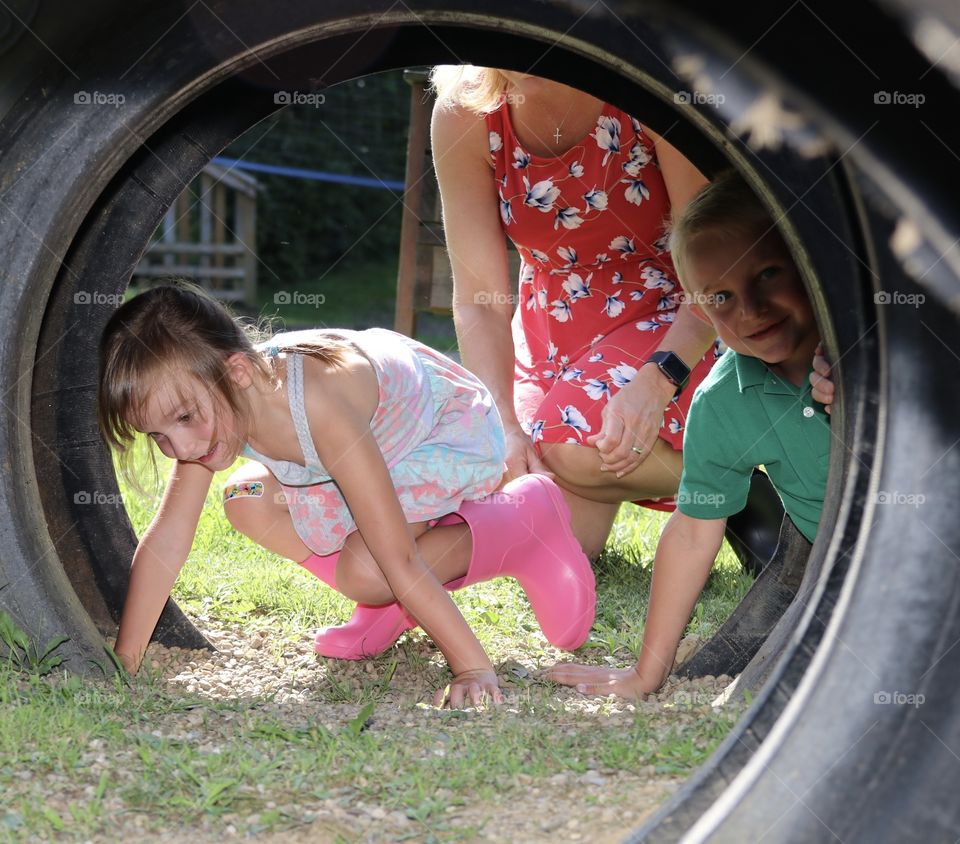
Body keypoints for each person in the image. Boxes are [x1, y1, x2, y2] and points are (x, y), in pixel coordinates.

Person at [97, 282, 596, 707]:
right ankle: (388, 606)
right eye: (157, 435)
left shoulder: (317, 405)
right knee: (247, 496)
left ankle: (525, 522)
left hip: (440, 429)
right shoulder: (216, 402)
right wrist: (127, 657)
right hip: (365, 448)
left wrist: (471, 669)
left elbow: (397, 555)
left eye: (184, 418)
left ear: (238, 373)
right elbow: (167, 540)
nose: (178, 447)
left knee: (371, 568)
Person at [429, 66, 785, 574]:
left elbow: (716, 273)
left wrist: (659, 379)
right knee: (534, 511)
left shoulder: (644, 86)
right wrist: (502, 425)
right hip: (549, 330)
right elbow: (479, 300)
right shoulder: (465, 110)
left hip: (679, 317)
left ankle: (750, 468)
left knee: (566, 447)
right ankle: (715, 471)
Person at [545, 171, 831, 699]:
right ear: (698, 310)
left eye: (768, 274)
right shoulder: (724, 402)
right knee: (747, 695)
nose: (749, 310)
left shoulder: (875, 344)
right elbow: (695, 530)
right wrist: (645, 672)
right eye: (720, 297)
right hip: (820, 551)